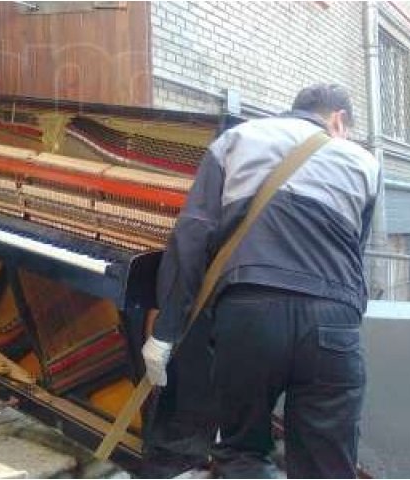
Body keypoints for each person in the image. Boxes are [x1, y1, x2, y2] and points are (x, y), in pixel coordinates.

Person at [142, 83, 380, 478]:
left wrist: (166, 332)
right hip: (333, 321)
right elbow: (357, 255)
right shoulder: (364, 161)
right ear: (339, 120)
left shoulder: (236, 140)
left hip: (248, 314)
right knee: (328, 464)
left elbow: (192, 237)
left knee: (241, 453)